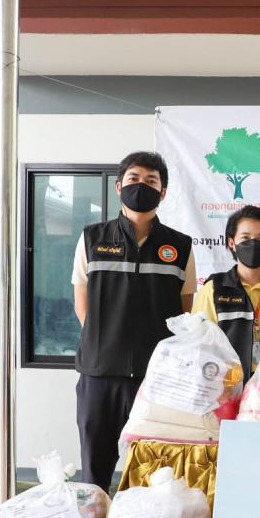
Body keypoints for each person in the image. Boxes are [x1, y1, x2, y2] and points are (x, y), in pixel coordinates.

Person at [71, 150, 195, 490]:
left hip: (156, 378)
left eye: (151, 181)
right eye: (134, 179)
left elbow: (184, 312)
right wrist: (106, 344)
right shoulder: (93, 238)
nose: (141, 186)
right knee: (95, 469)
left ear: (163, 192)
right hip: (99, 374)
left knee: (155, 471)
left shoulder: (180, 246)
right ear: (118, 187)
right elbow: (82, 305)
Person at [192, 205, 260, 380]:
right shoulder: (214, 289)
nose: (253, 243)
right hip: (227, 383)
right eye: (245, 237)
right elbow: (199, 343)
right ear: (231, 243)